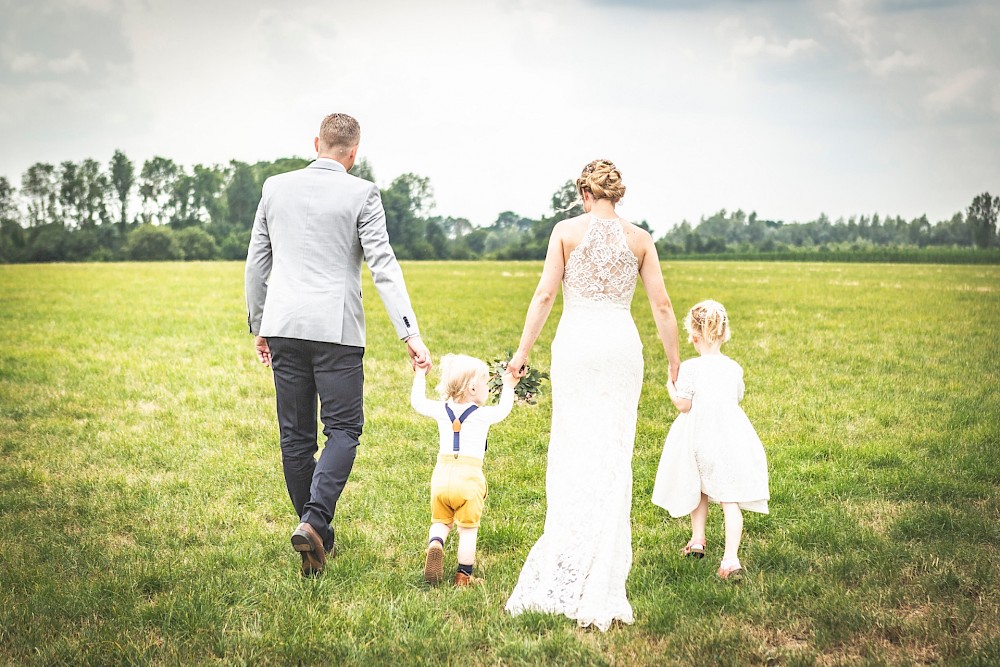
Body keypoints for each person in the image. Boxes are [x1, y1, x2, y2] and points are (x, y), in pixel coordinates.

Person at [245, 113, 431, 577]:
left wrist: (258, 324)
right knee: (344, 429)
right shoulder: (362, 192)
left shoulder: (274, 187)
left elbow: (257, 261)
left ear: (316, 143)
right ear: (354, 152)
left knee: (295, 436)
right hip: (338, 330)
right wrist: (409, 332)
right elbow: (383, 266)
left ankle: (316, 533)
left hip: (284, 323)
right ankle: (314, 522)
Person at [504, 159, 681, 631]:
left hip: (578, 344)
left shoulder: (566, 232)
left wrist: (521, 354)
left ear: (585, 193)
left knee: (573, 444)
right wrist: (675, 362)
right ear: (616, 195)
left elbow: (544, 297)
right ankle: (601, 561)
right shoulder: (640, 239)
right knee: (614, 448)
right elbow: (661, 305)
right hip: (622, 347)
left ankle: (569, 551)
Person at [651, 299, 770, 580]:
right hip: (729, 437)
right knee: (731, 498)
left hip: (698, 436)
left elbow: (683, 405)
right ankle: (730, 560)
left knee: (698, 486)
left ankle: (697, 539)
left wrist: (670, 386)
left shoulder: (691, 368)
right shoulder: (733, 368)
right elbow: (736, 396)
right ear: (724, 334)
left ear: (693, 336)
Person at [411, 354, 520, 586]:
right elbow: (503, 410)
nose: (488, 389)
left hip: (441, 477)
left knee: (441, 521)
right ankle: (463, 575)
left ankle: (436, 542)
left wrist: (420, 375)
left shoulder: (442, 410)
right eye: (486, 384)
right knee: (467, 530)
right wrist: (509, 386)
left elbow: (418, 403)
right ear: (472, 388)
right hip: (469, 479)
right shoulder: (482, 415)